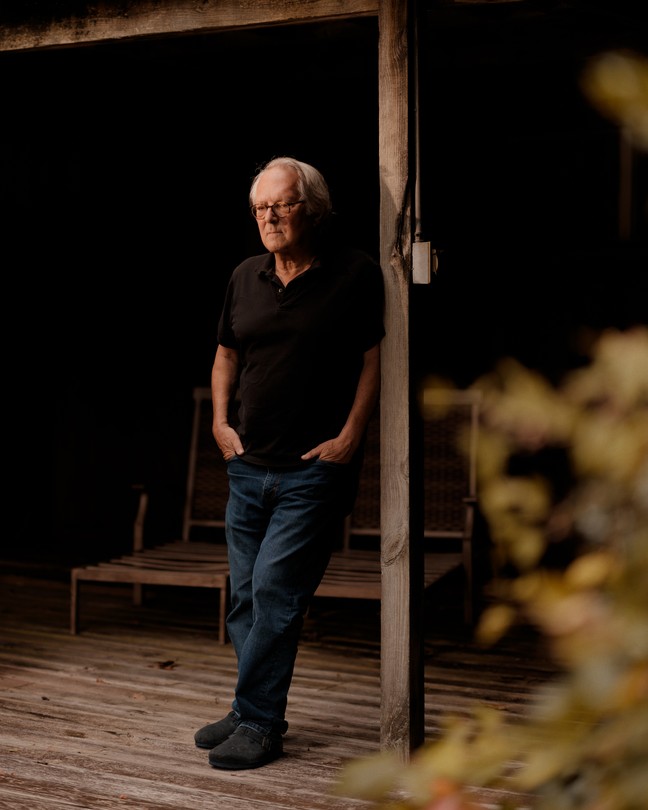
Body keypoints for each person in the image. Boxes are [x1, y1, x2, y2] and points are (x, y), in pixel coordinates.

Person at [194, 156, 385, 770]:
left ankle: (260, 721)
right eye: (258, 208)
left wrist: (351, 435)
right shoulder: (244, 276)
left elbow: (372, 359)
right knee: (246, 599)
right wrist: (221, 423)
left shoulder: (354, 274)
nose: (268, 217)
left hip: (311, 469)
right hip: (248, 466)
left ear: (314, 209)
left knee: (276, 592)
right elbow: (225, 355)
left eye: (279, 205)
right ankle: (251, 704)